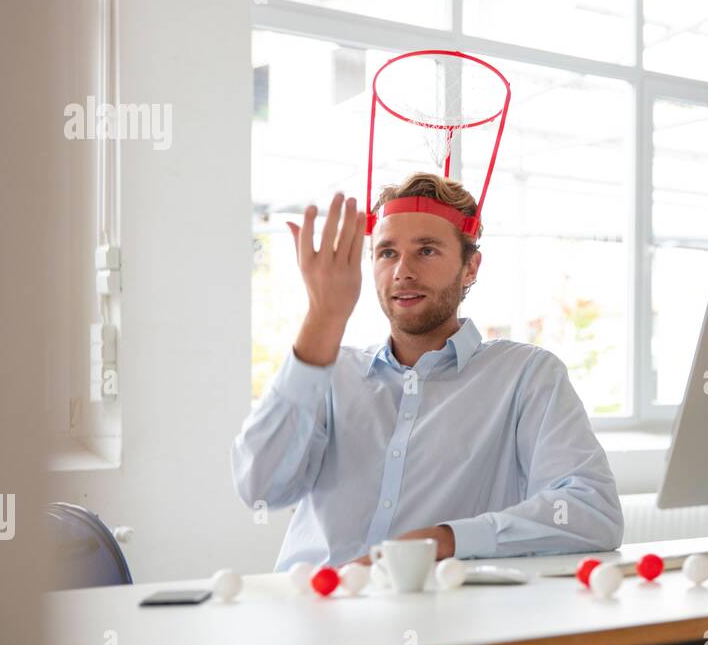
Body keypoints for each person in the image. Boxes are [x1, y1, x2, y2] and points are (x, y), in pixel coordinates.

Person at [231, 172, 624, 570]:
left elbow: (593, 511)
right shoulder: (328, 372)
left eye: (427, 251)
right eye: (386, 253)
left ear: (470, 268)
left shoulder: (525, 376)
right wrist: (323, 316)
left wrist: (446, 540)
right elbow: (259, 489)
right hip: (311, 609)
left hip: (435, 618)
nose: (403, 270)